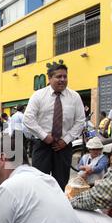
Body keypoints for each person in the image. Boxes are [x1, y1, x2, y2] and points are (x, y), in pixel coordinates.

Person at [23, 62, 85, 191]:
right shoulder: (38, 95)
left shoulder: (74, 97)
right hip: (42, 145)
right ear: (50, 78)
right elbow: (28, 119)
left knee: (61, 183)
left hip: (63, 147)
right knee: (39, 182)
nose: (62, 79)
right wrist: (44, 136)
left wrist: (65, 140)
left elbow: (80, 121)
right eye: (58, 77)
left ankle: (57, 209)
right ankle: (39, 209)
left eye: (65, 76)